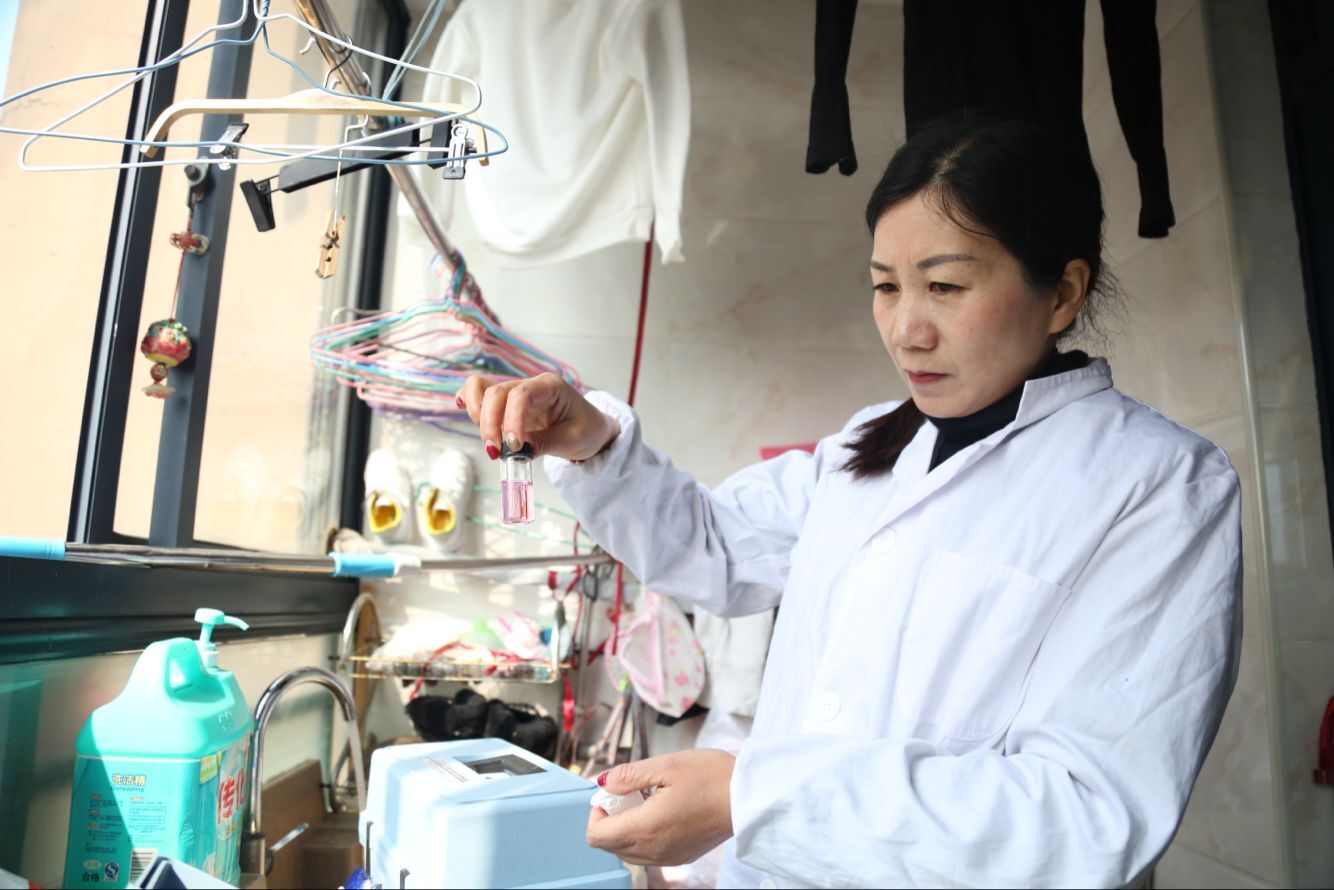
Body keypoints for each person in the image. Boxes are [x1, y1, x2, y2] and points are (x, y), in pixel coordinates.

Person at [456, 117, 1242, 888]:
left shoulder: (1159, 485)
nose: (906, 330)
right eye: (885, 286)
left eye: (944, 286)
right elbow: (714, 549)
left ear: (1063, 294)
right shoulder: (871, 443)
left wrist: (753, 799)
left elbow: (1088, 817)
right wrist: (593, 441)